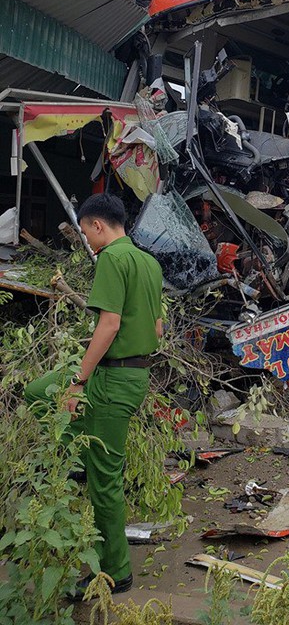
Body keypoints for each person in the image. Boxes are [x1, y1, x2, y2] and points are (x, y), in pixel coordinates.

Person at [25, 194, 163, 597]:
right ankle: (80, 455)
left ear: (98, 225)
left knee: (106, 484)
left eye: (85, 232)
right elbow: (156, 329)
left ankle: (116, 572)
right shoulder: (149, 263)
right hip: (128, 373)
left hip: (113, 379)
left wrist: (78, 381)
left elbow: (110, 323)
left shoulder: (112, 260)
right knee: (38, 391)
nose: (86, 239)